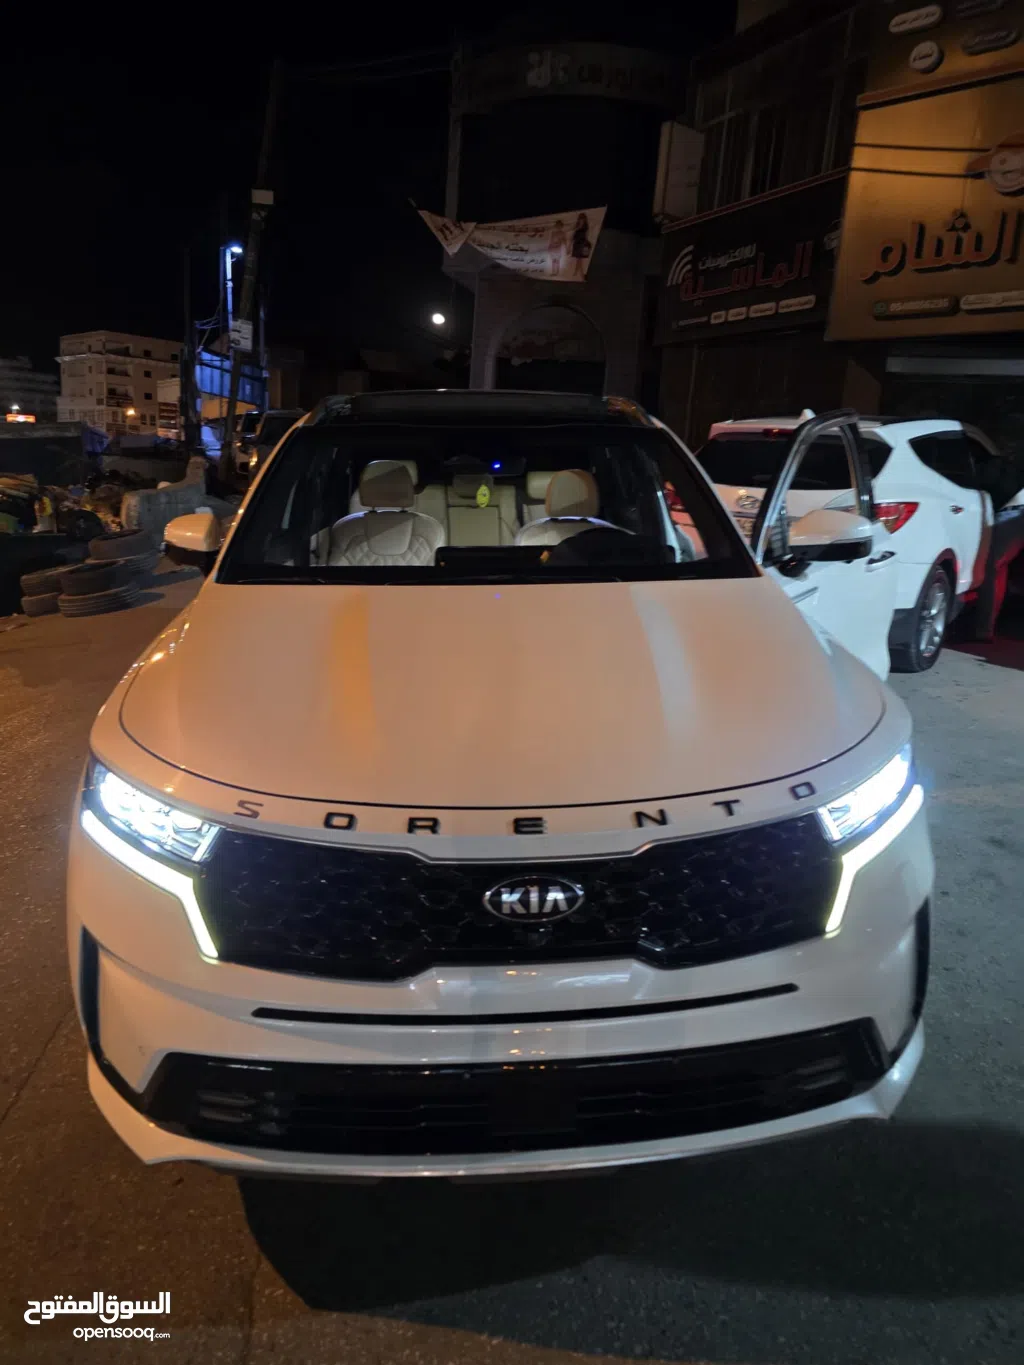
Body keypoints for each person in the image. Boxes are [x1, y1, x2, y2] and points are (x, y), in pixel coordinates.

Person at [570, 213, 592, 280]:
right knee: (578, 259)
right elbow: (572, 236)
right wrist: (576, 228)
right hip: (576, 244)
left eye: (583, 219)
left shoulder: (586, 227)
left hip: (582, 244)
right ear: (579, 219)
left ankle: (581, 274)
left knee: (579, 259)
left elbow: (586, 237)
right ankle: (576, 272)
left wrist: (587, 245)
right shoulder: (576, 226)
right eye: (580, 219)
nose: (581, 220)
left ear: (585, 219)